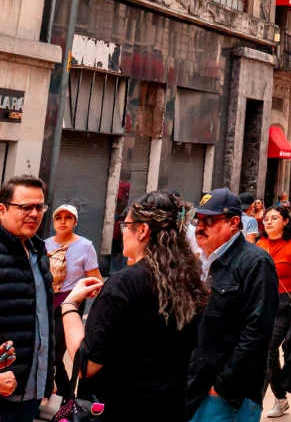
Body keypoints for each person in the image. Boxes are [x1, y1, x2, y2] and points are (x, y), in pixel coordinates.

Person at [60, 190, 207, 420]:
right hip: (172, 407)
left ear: (142, 230)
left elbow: (86, 365)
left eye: (125, 226)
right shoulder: (191, 280)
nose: (123, 233)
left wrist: (69, 306)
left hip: (120, 407)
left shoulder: (124, 284)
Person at [187, 187, 278, 422]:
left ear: (234, 223)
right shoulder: (202, 262)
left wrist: (223, 385)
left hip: (229, 396)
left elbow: (257, 332)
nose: (200, 226)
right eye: (198, 220)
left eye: (210, 220)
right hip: (197, 385)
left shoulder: (255, 263)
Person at [0, 176, 54, 422]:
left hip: (28, 393)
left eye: (39, 207)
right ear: (2, 209)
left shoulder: (38, 250)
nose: (34, 214)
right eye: (25, 207)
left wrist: (46, 373)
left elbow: (42, 317)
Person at [256, 205, 291, 418]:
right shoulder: (260, 244)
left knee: (267, 351)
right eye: (266, 218)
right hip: (261, 305)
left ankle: (254, 404)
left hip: (284, 305)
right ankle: (281, 398)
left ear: (286, 221)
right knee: (269, 356)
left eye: (274, 218)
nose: (268, 222)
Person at [46, 203, 102, 398]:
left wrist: (89, 293)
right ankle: (57, 396)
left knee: (55, 354)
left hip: (70, 304)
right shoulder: (44, 244)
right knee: (45, 351)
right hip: (45, 303)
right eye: (58, 218)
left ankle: (65, 399)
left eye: (68, 218)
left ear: (75, 221)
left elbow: (96, 280)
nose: (62, 222)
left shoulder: (85, 246)